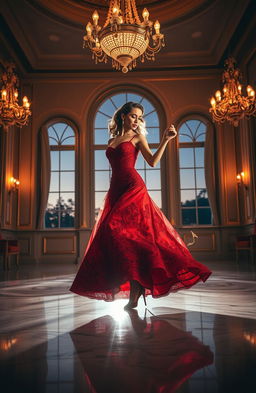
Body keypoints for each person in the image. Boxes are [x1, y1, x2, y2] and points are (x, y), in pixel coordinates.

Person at [70, 102, 212, 309]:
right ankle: (135, 286)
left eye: (139, 117)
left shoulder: (138, 138)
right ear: (123, 117)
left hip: (133, 188)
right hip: (116, 190)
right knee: (117, 236)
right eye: (133, 116)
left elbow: (153, 161)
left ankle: (136, 287)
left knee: (121, 232)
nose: (137, 120)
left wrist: (165, 140)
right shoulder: (112, 139)